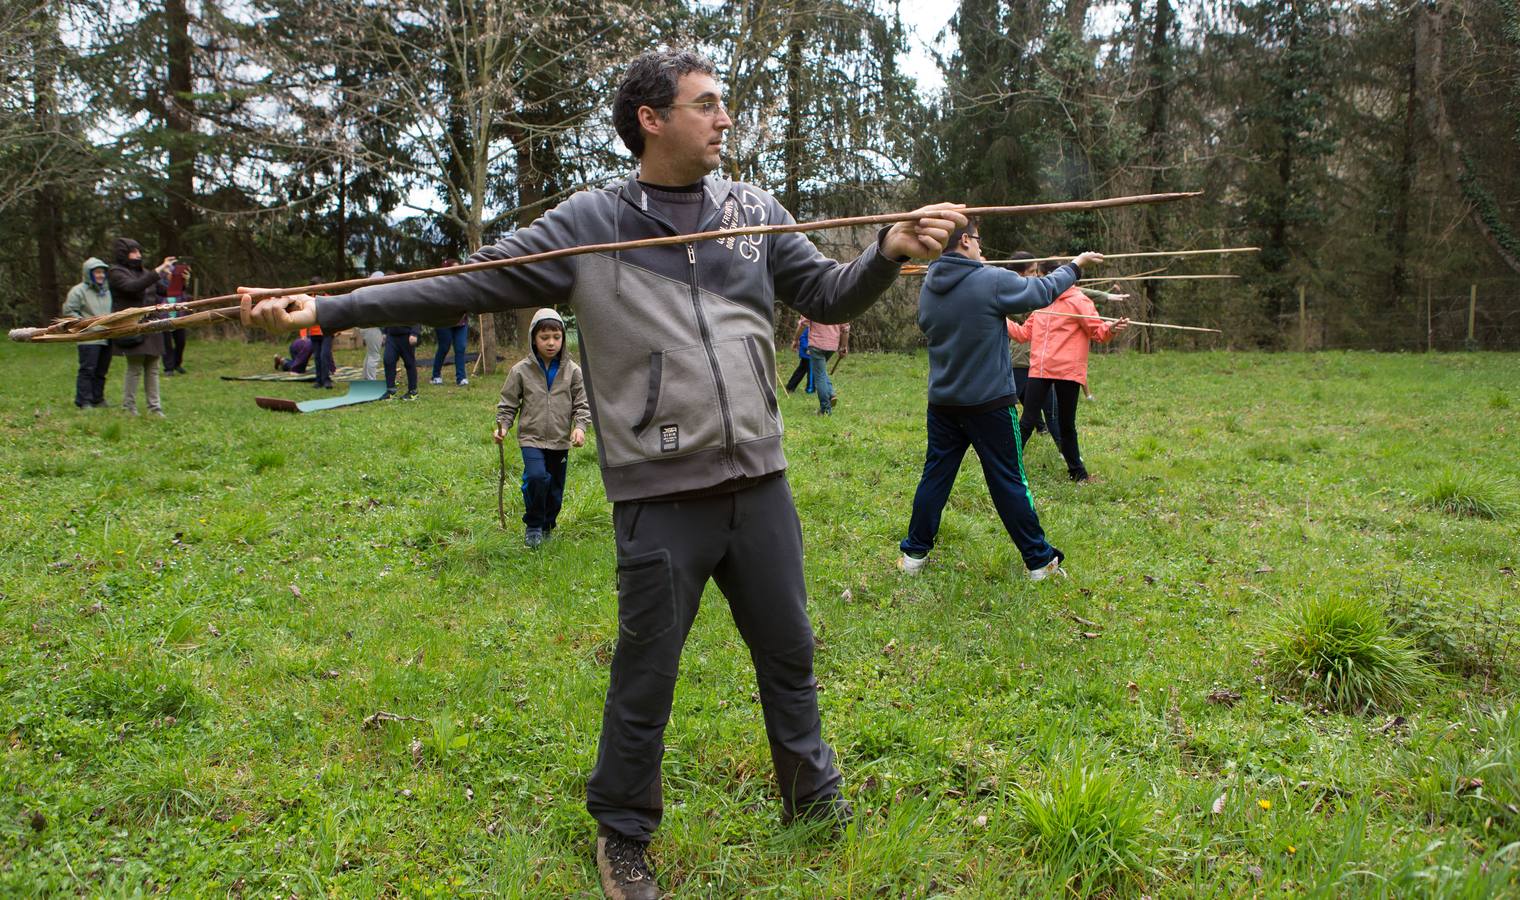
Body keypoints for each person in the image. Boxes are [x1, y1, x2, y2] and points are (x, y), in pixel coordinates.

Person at [243, 48, 963, 900]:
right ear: (651, 120)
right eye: (706, 104)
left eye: (722, 103)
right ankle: (622, 837)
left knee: (791, 653)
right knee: (646, 673)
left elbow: (828, 294)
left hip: (760, 485)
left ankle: (815, 801)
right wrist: (328, 309)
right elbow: (459, 285)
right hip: (660, 497)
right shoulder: (590, 222)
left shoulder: (752, 210)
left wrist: (886, 250)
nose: (724, 118)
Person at [896, 217, 1103, 581]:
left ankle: (914, 555)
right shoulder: (990, 279)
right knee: (1008, 480)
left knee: (935, 476)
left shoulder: (929, 284)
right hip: (989, 403)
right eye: (977, 240)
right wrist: (1076, 266)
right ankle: (1040, 561)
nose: (982, 247)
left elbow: (927, 323)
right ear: (963, 242)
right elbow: (1041, 291)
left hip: (943, 403)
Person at [1009, 260, 1130, 482]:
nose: (1038, 280)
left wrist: (1111, 328)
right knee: (1027, 420)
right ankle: (1007, 465)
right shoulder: (1042, 302)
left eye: (1041, 276)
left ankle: (1078, 473)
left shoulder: (1079, 301)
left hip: (1067, 371)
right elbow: (1023, 334)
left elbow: (1098, 330)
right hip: (1040, 369)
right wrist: (998, 318)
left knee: (1066, 424)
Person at [494, 309, 591, 547]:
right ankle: (534, 525)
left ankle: (548, 524)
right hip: (531, 438)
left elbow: (582, 403)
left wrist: (580, 427)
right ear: (533, 339)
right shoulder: (520, 370)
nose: (551, 343)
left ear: (563, 339)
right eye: (544, 337)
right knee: (537, 478)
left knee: (555, 487)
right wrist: (503, 426)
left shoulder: (573, 371)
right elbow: (508, 403)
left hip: (559, 440)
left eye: (556, 337)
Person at [107, 238, 174, 417]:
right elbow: (133, 287)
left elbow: (165, 291)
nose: (139, 255)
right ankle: (129, 408)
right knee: (135, 366)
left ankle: (155, 408)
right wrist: (158, 270)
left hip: (152, 323)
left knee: (153, 366)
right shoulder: (116, 272)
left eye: (139, 251)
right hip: (132, 324)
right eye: (134, 251)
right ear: (124, 253)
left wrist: (177, 279)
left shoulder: (144, 272)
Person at [63, 257, 114, 408]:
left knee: (101, 370)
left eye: (103, 272)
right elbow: (69, 310)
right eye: (97, 272)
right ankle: (83, 400)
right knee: (87, 370)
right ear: (88, 273)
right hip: (89, 338)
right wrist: (84, 324)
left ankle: (98, 398)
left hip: (107, 336)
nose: (101, 275)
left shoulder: (106, 291)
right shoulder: (78, 291)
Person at [430, 259, 471, 386]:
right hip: (443, 322)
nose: (457, 271)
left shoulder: (463, 284)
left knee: (460, 348)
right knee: (444, 347)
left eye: (459, 268)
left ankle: (461, 378)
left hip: (461, 323)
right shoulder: (439, 285)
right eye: (454, 268)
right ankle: (436, 375)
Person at [805, 316, 849, 414]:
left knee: (819, 375)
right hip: (832, 346)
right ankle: (831, 393)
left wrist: (795, 340)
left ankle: (825, 410)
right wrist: (843, 346)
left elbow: (803, 322)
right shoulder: (838, 304)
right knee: (821, 370)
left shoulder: (812, 303)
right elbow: (845, 329)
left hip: (816, 345)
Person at [161, 261, 192, 375]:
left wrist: (185, 280)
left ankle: (177, 363)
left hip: (179, 315)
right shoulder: (160, 283)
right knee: (167, 342)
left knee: (181, 341)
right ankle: (168, 368)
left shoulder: (179, 284)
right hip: (164, 315)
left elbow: (184, 294)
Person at [305, 278, 337, 389]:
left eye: (322, 287)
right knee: (317, 357)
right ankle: (319, 380)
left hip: (327, 332)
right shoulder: (309, 300)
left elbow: (336, 315)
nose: (320, 289)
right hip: (314, 333)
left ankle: (326, 380)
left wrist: (337, 330)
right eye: (317, 287)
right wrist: (304, 333)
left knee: (325, 355)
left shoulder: (329, 299)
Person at [381, 319, 421, 400]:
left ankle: (412, 392)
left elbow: (416, 314)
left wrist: (415, 333)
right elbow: (387, 314)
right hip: (391, 336)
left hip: (407, 335)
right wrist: (384, 331)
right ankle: (390, 391)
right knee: (388, 360)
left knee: (409, 363)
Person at [359, 272, 385, 380]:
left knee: (370, 354)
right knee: (374, 356)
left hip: (366, 326)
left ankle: (366, 379)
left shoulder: (366, 292)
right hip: (372, 327)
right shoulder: (375, 294)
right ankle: (371, 381)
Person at [785, 318, 813, 394]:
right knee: (811, 371)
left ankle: (790, 386)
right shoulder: (806, 326)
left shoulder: (813, 325)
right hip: (807, 353)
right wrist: (808, 348)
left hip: (809, 352)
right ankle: (810, 389)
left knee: (801, 370)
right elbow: (802, 337)